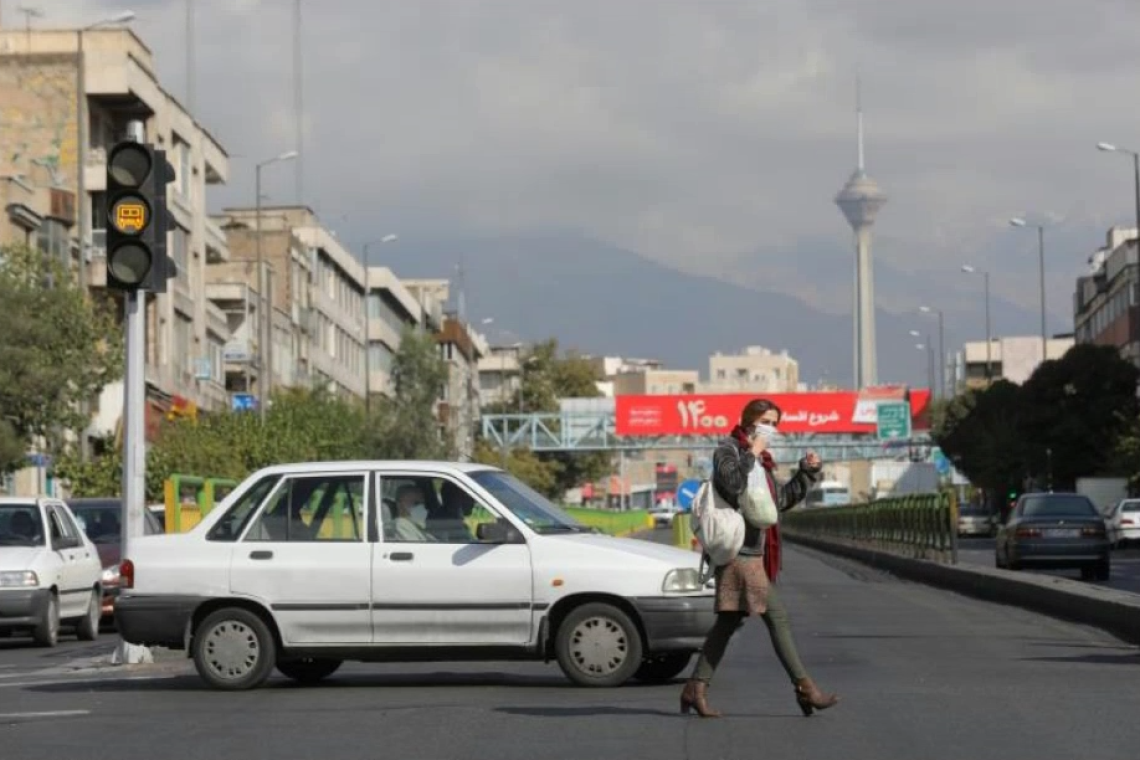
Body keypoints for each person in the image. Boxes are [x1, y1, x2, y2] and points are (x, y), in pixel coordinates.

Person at [680, 398, 839, 718]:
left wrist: (806, 473)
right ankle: (805, 689)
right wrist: (752, 451)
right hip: (738, 552)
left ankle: (695, 688)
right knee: (776, 617)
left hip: (755, 552)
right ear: (750, 421)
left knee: (728, 622)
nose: (771, 429)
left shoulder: (763, 462)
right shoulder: (728, 449)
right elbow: (732, 482)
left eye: (775, 423)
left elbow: (776, 503)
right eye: (766, 421)